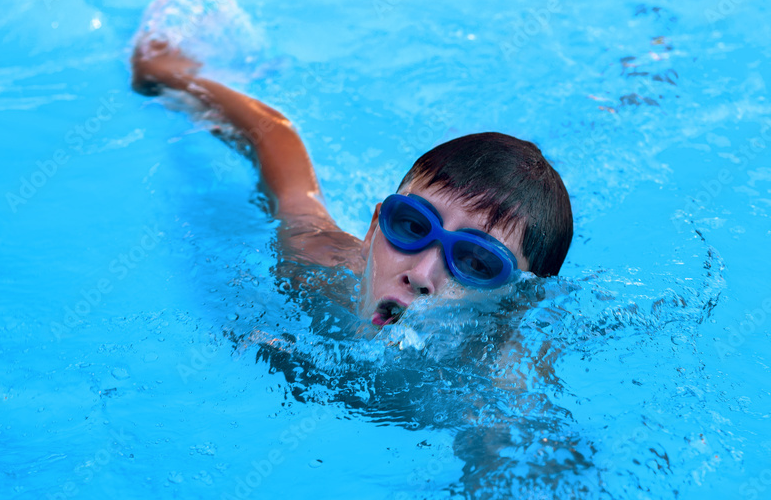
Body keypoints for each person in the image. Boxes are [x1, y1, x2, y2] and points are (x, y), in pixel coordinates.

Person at [130, 38, 573, 329]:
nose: (420, 275)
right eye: (413, 227)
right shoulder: (316, 267)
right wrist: (173, 76)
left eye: (477, 262)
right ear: (373, 228)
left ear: (514, 306)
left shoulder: (498, 388)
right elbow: (274, 139)